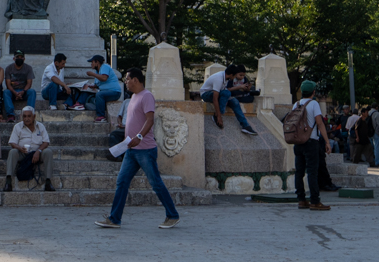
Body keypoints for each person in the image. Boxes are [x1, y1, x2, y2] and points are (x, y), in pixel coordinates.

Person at [95, 68, 179, 229]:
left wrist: (139, 136)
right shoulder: (133, 97)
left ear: (136, 80)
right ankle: (114, 219)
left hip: (145, 150)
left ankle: (173, 215)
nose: (125, 82)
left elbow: (150, 120)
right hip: (131, 150)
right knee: (122, 182)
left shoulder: (147, 96)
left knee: (156, 183)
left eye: (127, 79)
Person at [287, 80, 331, 212]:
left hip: (298, 142)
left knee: (299, 172)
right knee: (312, 171)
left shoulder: (296, 104)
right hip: (311, 141)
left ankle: (301, 200)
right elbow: (320, 123)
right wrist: (327, 141)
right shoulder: (314, 104)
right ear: (313, 92)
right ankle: (315, 201)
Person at [199, 65, 258, 135]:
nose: (235, 77)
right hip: (206, 94)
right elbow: (215, 98)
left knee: (235, 102)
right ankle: (216, 115)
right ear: (231, 75)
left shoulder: (226, 78)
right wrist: (219, 116)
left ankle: (245, 126)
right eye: (235, 75)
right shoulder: (219, 78)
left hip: (220, 94)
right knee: (227, 93)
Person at [5, 105, 52, 191]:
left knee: (48, 152)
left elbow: (46, 142)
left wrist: (38, 151)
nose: (27, 118)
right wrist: (19, 148)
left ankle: (48, 182)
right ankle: (8, 181)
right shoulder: (17, 127)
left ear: (34, 116)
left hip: (37, 154)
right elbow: (12, 142)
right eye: (24, 116)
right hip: (23, 153)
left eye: (29, 116)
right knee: (12, 152)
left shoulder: (40, 126)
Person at [86, 55, 122, 123]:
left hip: (114, 92)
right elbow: (97, 84)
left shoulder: (105, 67)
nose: (91, 64)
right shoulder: (97, 72)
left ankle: (101, 116)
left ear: (97, 62)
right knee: (90, 96)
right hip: (106, 92)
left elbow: (104, 78)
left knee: (99, 95)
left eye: (92, 62)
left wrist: (92, 74)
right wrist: (90, 86)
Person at [2, 50, 36, 120]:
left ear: (24, 59)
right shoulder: (9, 68)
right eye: (18, 57)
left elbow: (29, 83)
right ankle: (10, 115)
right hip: (12, 91)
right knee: (5, 92)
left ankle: (30, 112)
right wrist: (15, 93)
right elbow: (8, 84)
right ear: (14, 58)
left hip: (24, 91)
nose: (20, 59)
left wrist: (23, 91)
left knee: (32, 92)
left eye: (21, 57)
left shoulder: (28, 68)